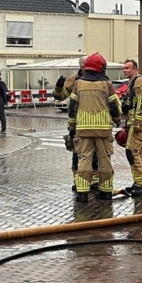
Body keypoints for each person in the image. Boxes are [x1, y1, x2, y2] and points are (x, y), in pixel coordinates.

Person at [68, 53, 121, 202]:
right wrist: (117, 120)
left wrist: (71, 126)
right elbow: (113, 106)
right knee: (104, 159)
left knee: (84, 159)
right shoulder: (107, 84)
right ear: (101, 67)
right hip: (103, 129)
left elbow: (72, 107)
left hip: (83, 129)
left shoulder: (78, 83)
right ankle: (105, 192)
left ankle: (82, 193)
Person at [55, 57, 99, 192]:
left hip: (95, 121)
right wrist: (58, 87)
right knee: (76, 153)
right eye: (84, 65)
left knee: (95, 154)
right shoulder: (73, 80)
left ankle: (94, 181)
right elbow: (61, 96)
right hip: (78, 122)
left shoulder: (98, 78)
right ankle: (78, 181)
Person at [121, 58, 142, 196]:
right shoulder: (132, 82)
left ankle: (140, 184)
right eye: (124, 68)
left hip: (139, 122)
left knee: (131, 151)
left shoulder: (139, 81)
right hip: (135, 121)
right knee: (140, 152)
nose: (124, 70)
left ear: (135, 69)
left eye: (127, 68)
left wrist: (137, 122)